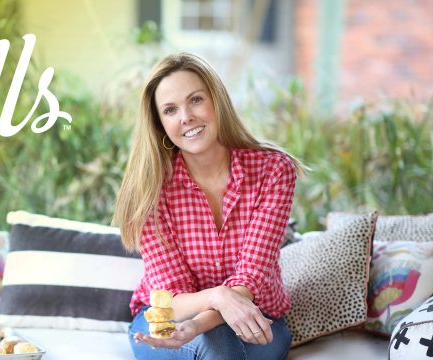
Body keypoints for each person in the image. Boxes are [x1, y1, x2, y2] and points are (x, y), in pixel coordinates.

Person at [112, 53, 306, 360]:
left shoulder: (273, 171)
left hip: (252, 314)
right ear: (160, 124)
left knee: (221, 347)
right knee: (217, 351)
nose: (186, 116)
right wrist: (217, 297)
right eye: (170, 110)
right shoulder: (149, 189)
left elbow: (251, 276)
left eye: (196, 100)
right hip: (169, 320)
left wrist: (205, 320)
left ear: (217, 101)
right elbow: (170, 297)